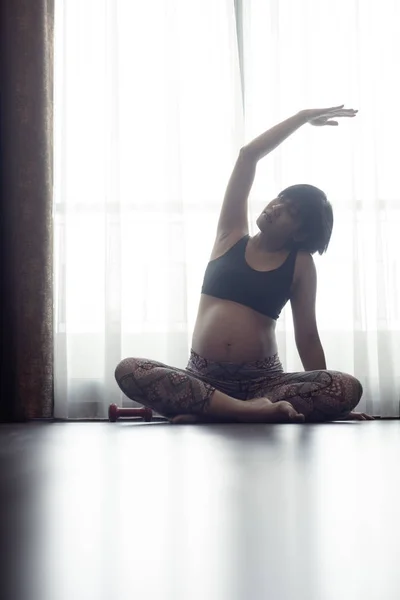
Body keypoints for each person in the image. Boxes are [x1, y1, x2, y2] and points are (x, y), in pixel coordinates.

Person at [115, 105, 373, 423]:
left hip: (264, 384)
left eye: (290, 210)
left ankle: (215, 411)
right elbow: (248, 155)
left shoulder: (300, 264)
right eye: (280, 199)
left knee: (344, 386)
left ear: (301, 232)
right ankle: (240, 411)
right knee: (129, 369)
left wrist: (333, 403)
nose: (276, 207)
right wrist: (302, 117)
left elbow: (307, 336)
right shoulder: (231, 235)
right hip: (202, 378)